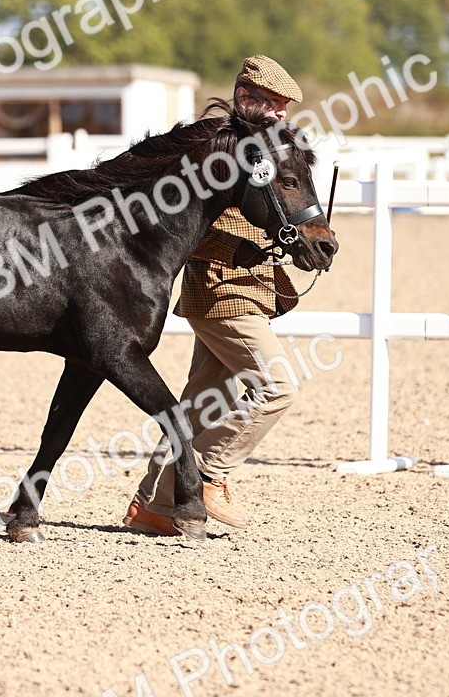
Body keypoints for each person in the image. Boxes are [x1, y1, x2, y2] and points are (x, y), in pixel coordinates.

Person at [123, 54, 313, 536]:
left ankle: (152, 504)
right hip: (219, 290)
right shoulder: (215, 148)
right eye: (273, 104)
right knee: (277, 388)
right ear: (246, 97)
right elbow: (187, 227)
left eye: (284, 107)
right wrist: (261, 241)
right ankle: (208, 475)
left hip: (242, 291)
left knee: (199, 405)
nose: (281, 115)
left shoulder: (263, 151)